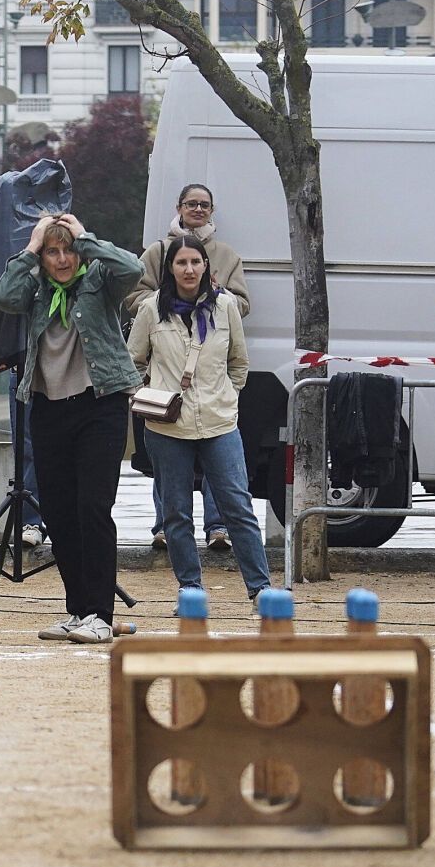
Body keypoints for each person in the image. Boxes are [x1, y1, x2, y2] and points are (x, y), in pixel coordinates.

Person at [0, 213, 142, 644]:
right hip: (47, 407)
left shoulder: (99, 280)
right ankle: (78, 610)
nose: (62, 260)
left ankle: (100, 614)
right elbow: (4, 296)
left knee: (93, 508)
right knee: (58, 514)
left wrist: (84, 236)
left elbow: (132, 268)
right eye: (53, 252)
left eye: (68, 251)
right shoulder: (35, 288)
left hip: (100, 405)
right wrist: (31, 245)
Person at [126, 234, 271, 603]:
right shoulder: (150, 309)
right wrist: (149, 396)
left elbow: (239, 362)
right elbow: (132, 363)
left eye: (195, 262)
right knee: (176, 513)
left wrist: (226, 395)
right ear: (170, 268)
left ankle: (260, 589)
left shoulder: (225, 306)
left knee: (238, 507)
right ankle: (190, 589)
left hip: (219, 423)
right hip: (166, 427)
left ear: (206, 266)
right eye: (181, 262)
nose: (189, 269)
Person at [127, 183, 251, 553]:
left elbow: (242, 305)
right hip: (166, 377)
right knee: (166, 467)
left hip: (212, 385)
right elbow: (133, 298)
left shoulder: (228, 255)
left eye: (204, 204)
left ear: (213, 210)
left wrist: (216, 296)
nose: (198, 209)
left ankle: (217, 528)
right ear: (179, 207)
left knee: (222, 467)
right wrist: (168, 298)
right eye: (191, 203)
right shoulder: (156, 252)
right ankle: (164, 527)